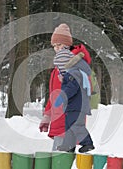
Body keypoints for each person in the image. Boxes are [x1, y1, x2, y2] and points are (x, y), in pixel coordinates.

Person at [39, 23, 93, 152]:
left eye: (59, 45)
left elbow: (79, 90)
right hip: (59, 118)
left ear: (67, 45)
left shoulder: (76, 65)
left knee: (60, 159)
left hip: (68, 116)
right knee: (58, 157)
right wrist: (48, 115)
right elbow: (55, 94)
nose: (56, 49)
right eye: (54, 46)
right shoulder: (59, 67)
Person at [54, 45, 95, 153]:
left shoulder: (74, 72)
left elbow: (72, 88)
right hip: (72, 106)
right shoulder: (72, 73)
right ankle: (68, 145)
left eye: (60, 68)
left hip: (77, 106)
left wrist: (61, 97)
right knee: (69, 126)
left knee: (76, 125)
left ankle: (87, 143)